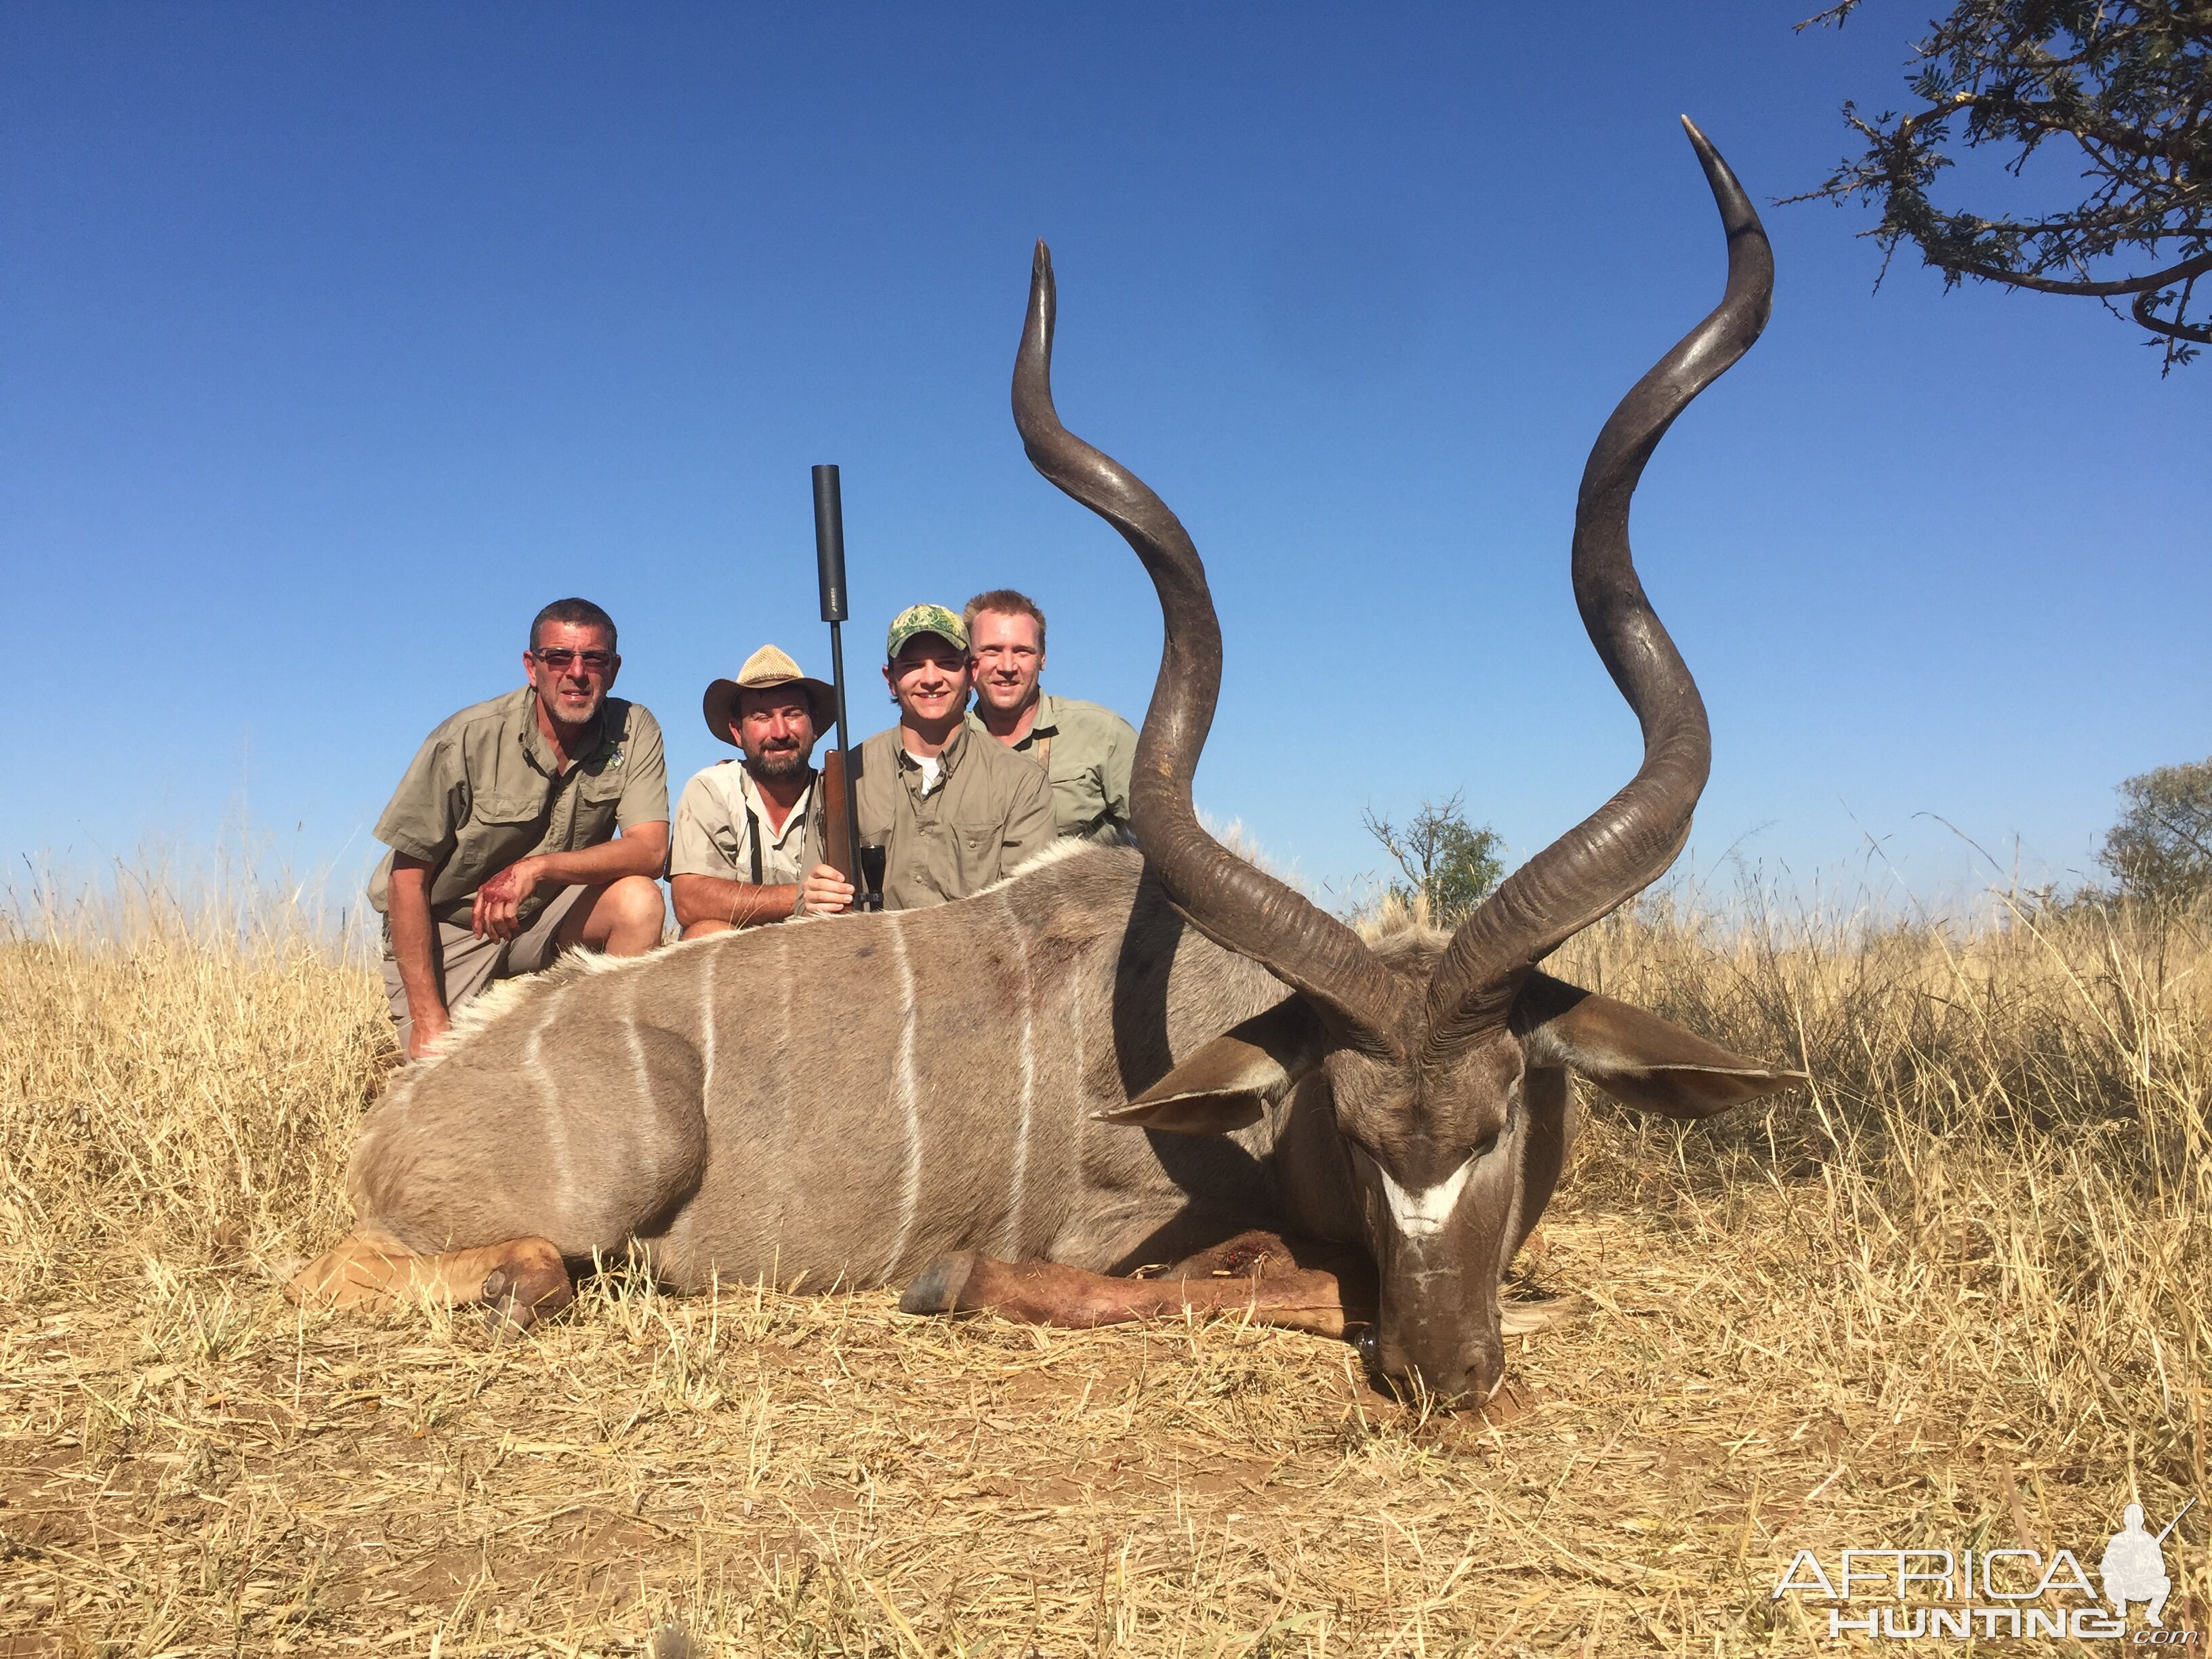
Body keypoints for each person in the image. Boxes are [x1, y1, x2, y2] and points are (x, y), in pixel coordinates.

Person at [369, 598, 670, 1059]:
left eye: (594, 659)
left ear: (613, 669)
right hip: (453, 928)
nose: (577, 672)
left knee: (639, 901)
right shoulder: (466, 737)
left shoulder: (635, 728)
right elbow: (406, 880)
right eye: (558, 658)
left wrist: (540, 868)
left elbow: (649, 852)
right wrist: (429, 1019)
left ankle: (590, 1055)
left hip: (544, 916)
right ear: (532, 667)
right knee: (444, 1083)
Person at [851, 603, 1054, 910]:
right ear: (890, 678)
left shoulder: (1022, 783)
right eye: (912, 665)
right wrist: (816, 896)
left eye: (947, 663)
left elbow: (1030, 912)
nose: (931, 678)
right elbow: (811, 911)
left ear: (971, 673)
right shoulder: (846, 775)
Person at [669, 644, 856, 937]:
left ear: (815, 725)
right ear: (736, 731)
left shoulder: (843, 793)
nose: (780, 732)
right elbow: (690, 902)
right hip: (746, 964)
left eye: (793, 714)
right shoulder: (712, 789)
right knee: (704, 933)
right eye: (761, 717)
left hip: (823, 950)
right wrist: (801, 896)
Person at [963, 588, 1137, 844]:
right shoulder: (949, 743)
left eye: (1023, 651)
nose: (1007, 667)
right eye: (992, 651)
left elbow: (1167, 839)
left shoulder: (1104, 733)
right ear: (970, 660)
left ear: (1042, 658)